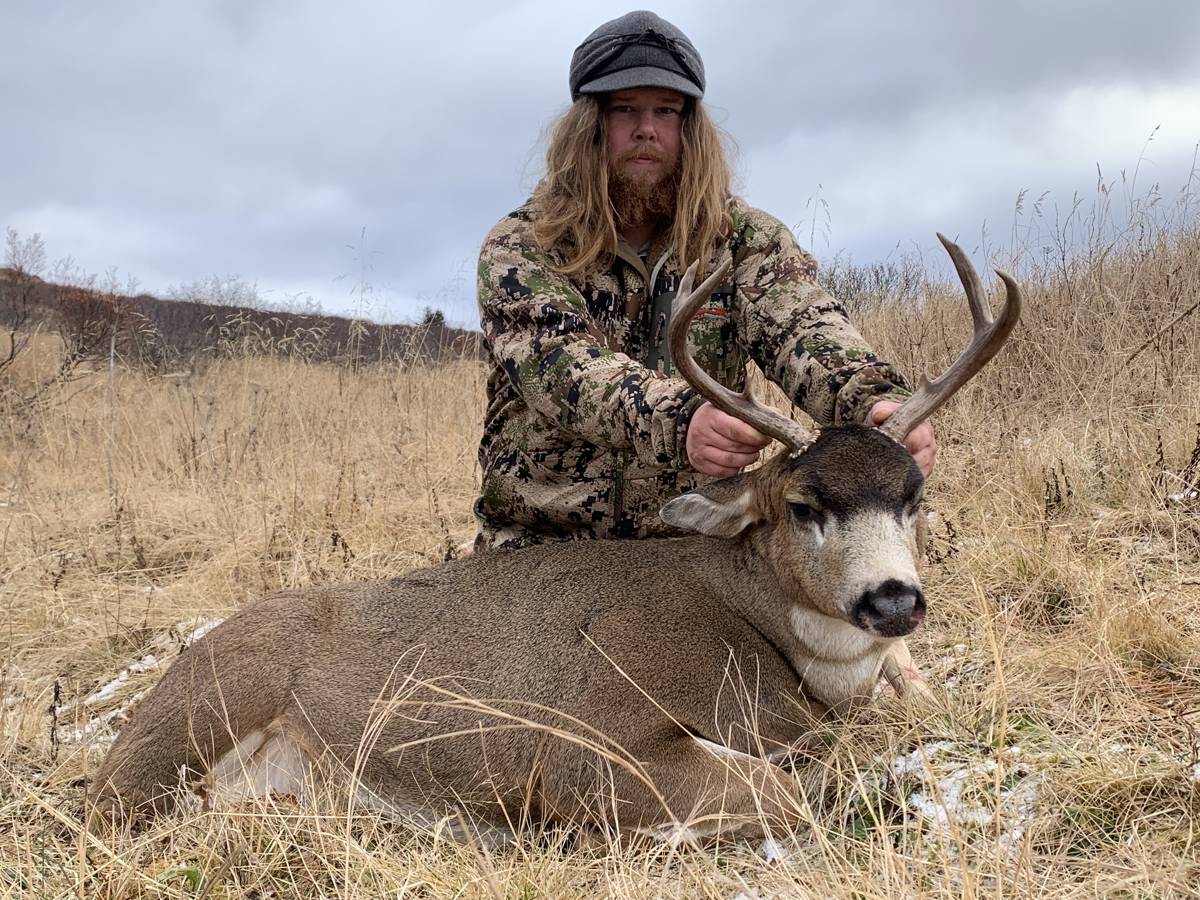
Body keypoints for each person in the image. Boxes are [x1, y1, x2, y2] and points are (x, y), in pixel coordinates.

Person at [473, 9, 936, 553]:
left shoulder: (745, 240)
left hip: (701, 539)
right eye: (626, 110)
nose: (646, 128)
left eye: (666, 111)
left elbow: (806, 329)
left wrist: (874, 405)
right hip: (546, 542)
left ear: (689, 128)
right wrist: (682, 421)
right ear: (589, 126)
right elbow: (563, 371)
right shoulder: (523, 246)